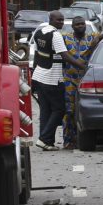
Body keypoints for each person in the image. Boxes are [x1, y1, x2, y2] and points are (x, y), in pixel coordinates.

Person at [33, 11, 75, 151]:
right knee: (59, 109)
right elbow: (65, 56)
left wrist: (33, 76)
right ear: (50, 19)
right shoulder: (55, 35)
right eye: (58, 20)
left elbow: (37, 55)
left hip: (39, 76)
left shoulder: (39, 32)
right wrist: (83, 67)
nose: (61, 23)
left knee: (45, 110)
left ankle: (46, 142)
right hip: (52, 78)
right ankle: (44, 139)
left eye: (62, 20)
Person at [61, 16, 99, 149]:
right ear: (72, 26)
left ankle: (83, 138)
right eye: (77, 24)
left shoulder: (92, 36)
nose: (80, 26)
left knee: (86, 109)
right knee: (69, 111)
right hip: (70, 80)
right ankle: (68, 140)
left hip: (86, 80)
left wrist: (98, 39)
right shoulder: (65, 38)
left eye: (82, 23)